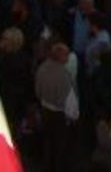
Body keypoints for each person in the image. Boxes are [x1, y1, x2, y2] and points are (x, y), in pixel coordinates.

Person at [36, 43, 78, 172]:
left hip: (45, 111)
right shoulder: (65, 75)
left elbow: (38, 91)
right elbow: (71, 105)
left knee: (48, 142)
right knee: (60, 147)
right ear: (61, 57)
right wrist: (74, 117)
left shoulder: (42, 68)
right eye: (67, 55)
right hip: (60, 116)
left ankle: (47, 166)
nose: (68, 57)